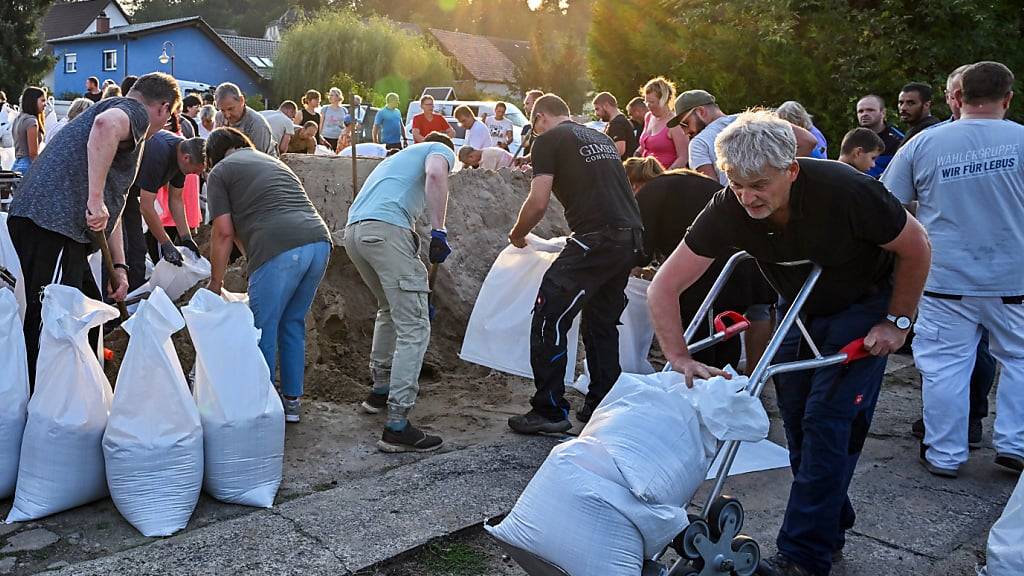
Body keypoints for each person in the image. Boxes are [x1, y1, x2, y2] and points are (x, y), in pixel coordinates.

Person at [647, 110, 931, 576]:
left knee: (826, 419)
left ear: (791, 169)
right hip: (798, 305)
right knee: (797, 420)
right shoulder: (729, 205)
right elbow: (665, 285)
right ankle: (830, 517)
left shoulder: (846, 190)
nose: (747, 196)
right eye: (737, 183)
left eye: (759, 184)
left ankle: (804, 555)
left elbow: (916, 245)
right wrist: (679, 357)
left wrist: (897, 322)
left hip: (862, 301)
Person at [882, 61, 1024, 477]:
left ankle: (945, 454)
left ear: (957, 98)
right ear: (1008, 98)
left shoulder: (925, 144)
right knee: (1019, 361)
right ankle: (1016, 444)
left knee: (944, 367)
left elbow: (888, 204)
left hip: (944, 279)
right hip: (1014, 279)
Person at [8, 72, 179, 386]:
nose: (164, 126)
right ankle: (43, 397)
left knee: (88, 306)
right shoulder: (133, 112)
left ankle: (84, 390)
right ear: (163, 108)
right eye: (168, 118)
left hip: (53, 225)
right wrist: (95, 199)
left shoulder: (124, 125)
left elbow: (112, 206)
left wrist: (120, 266)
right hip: (52, 224)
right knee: (51, 317)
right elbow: (106, 126)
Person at [507, 93, 645, 432]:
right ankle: (603, 402)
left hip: (595, 237)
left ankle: (549, 410)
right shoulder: (600, 137)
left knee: (549, 316)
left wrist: (517, 233)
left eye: (532, 121)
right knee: (601, 321)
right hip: (630, 237)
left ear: (540, 117)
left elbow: (538, 201)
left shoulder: (548, 140)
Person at [204, 128, 332, 423]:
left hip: (279, 247)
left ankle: (259, 408)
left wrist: (215, 282)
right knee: (292, 323)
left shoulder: (221, 171)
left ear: (213, 155)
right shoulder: (271, 161)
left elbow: (223, 232)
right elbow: (243, 227)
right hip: (318, 241)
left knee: (263, 328)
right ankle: (291, 405)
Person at [344, 133, 457, 453]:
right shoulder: (439, 149)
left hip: (355, 233)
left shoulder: (395, 159)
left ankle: (379, 390)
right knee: (415, 326)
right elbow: (436, 173)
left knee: (389, 310)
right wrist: (439, 230)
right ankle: (397, 423)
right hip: (385, 231)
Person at [905, 63, 996, 448]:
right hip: (989, 270)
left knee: (948, 356)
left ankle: (954, 431)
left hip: (950, 269)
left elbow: (891, 203)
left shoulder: (929, 141)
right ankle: (973, 428)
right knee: (977, 350)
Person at [625, 156, 776, 369]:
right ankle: (739, 379)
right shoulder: (693, 180)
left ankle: (700, 385)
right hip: (747, 258)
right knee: (729, 326)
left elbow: (640, 249)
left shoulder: (649, 193)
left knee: (701, 335)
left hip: (709, 268)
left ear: (633, 184)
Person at [128, 133, 206, 290]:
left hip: (131, 191)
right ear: (186, 158)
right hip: (120, 190)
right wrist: (166, 244)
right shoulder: (159, 154)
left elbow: (176, 200)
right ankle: (124, 302)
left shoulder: (181, 158)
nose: (197, 175)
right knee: (133, 250)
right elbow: (146, 206)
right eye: (196, 171)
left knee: (136, 251)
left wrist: (186, 238)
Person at [638, 77, 688, 169]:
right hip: (647, 174)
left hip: (668, 176)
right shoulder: (648, 117)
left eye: (652, 102)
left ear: (664, 100)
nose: (648, 106)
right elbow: (646, 145)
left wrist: (665, 176)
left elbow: (683, 158)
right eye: (646, 101)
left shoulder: (675, 123)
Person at [214, 82, 275, 156]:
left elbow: (258, 159)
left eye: (230, 109)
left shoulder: (257, 124)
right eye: (222, 110)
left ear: (241, 100)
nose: (227, 115)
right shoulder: (219, 117)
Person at [855, 94, 904, 177]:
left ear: (883, 113)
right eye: (860, 111)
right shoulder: (852, 139)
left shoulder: (898, 140)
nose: (864, 114)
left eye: (870, 110)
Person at [593, 91, 639, 161]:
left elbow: (619, 150)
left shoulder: (617, 123)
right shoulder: (619, 121)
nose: (596, 114)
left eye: (597, 109)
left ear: (606, 105)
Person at [11, 87, 46, 175]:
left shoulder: (18, 118)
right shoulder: (31, 121)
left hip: (16, 164)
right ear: (33, 101)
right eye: (42, 100)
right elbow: (33, 153)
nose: (45, 104)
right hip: (27, 165)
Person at [320, 87, 351, 152]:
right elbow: (321, 123)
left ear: (338, 97)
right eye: (329, 95)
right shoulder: (325, 109)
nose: (330, 97)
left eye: (332, 95)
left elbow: (346, 125)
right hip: (326, 137)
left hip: (339, 138)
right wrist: (319, 136)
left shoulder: (344, 110)